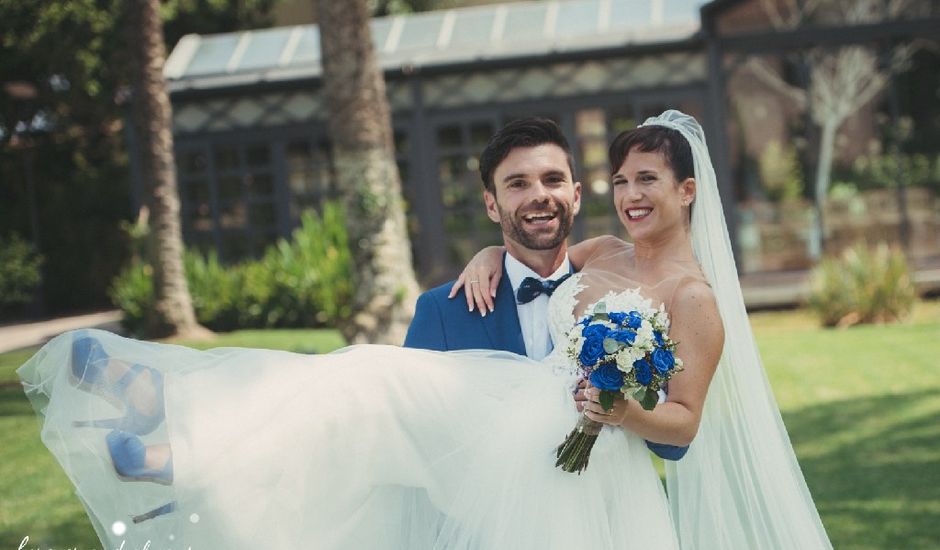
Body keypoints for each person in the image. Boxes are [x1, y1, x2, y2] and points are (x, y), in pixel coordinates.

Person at [17, 110, 831, 549]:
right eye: (620, 180)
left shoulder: (694, 300)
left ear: (689, 192)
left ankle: (174, 431)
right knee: (353, 386)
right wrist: (484, 251)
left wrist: (617, 408)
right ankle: (176, 447)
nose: (630, 194)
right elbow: (533, 251)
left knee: (365, 380)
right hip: (499, 445)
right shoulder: (601, 252)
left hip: (579, 462)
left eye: (646, 181)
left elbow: (682, 426)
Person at [404, 116, 686, 460]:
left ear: (576, 195)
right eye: (517, 184)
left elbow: (672, 446)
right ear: (492, 205)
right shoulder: (442, 312)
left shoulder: (620, 299)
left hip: (605, 508)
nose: (539, 196)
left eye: (553, 180)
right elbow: (416, 441)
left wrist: (622, 407)